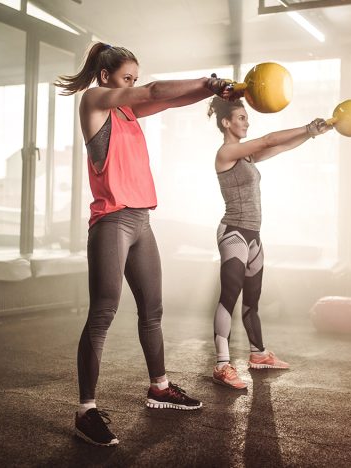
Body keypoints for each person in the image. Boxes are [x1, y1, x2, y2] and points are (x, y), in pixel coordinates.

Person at [55, 42, 238, 446]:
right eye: (126, 78)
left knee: (152, 310)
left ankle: (159, 386)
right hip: (112, 222)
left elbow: (169, 101)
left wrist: (215, 90)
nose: (133, 85)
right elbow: (155, 92)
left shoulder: (125, 111)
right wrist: (210, 79)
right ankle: (85, 410)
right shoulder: (95, 102)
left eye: (134, 79)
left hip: (142, 222)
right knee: (102, 313)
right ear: (106, 77)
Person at [207, 96, 331, 390]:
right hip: (234, 233)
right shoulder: (227, 152)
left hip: (253, 234)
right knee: (230, 296)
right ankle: (222, 365)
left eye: (246, 118)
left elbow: (280, 145)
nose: (246, 122)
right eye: (240, 118)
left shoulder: (246, 156)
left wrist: (310, 134)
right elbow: (269, 139)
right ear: (226, 122)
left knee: (252, 299)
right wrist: (306, 126)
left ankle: (258, 354)